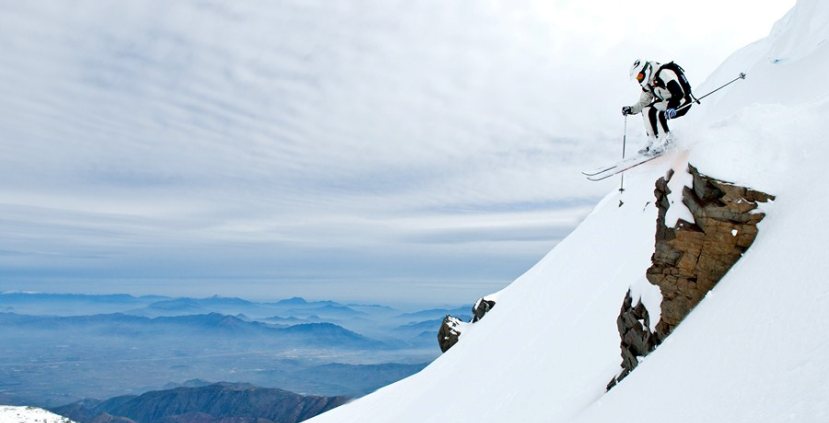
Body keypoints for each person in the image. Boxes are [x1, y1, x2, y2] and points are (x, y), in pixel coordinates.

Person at [622, 59, 695, 155]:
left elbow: (678, 92)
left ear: (646, 70)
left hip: (682, 101)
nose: (639, 80)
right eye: (637, 78)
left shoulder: (663, 73)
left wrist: (671, 107)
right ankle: (652, 140)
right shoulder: (649, 82)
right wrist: (631, 109)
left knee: (657, 112)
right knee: (646, 110)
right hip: (668, 102)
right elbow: (644, 102)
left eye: (640, 76)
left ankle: (665, 140)